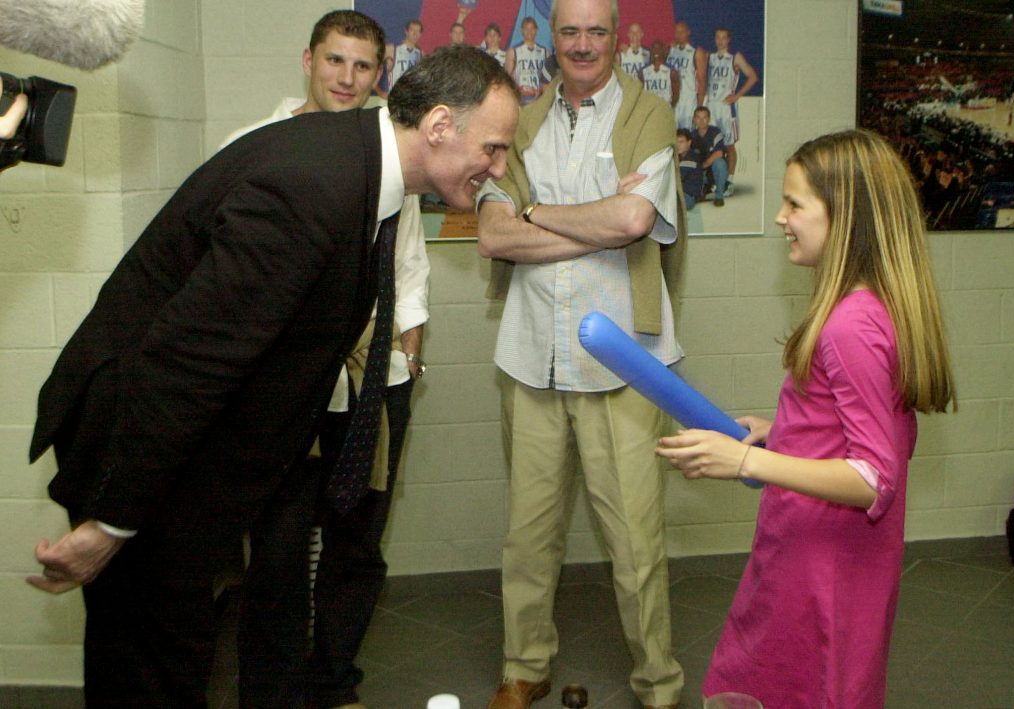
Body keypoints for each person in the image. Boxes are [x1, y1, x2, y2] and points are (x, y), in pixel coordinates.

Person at [26, 45, 519, 708]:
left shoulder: (362, 163)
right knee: (148, 664)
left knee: (179, 644)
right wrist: (111, 522)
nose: (499, 168)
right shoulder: (310, 187)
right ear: (437, 126)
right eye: (493, 148)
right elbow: (187, 363)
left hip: (190, 447)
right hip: (139, 442)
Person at [656, 129, 957, 708]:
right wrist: (786, 431)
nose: (779, 217)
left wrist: (748, 458)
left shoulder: (850, 326)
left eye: (795, 204)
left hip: (825, 564)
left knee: (801, 686)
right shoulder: (868, 307)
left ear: (844, 218)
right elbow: (861, 427)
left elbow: (874, 476)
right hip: (826, 551)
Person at [476, 0, 687, 706]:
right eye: (570, 31)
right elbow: (495, 236)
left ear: (617, 37)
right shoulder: (521, 122)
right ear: (552, 39)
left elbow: (635, 219)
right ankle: (524, 666)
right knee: (528, 534)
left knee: (635, 540)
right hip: (532, 351)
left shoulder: (647, 116)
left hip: (621, 359)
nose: (584, 44)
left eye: (597, 30)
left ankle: (658, 682)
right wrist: (594, 223)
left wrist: (535, 213)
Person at [218, 11, 430, 708]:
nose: (347, 78)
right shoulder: (254, 145)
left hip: (373, 372)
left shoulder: (391, 152)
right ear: (307, 60)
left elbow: (406, 255)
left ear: (381, 73)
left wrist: (409, 336)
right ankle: (272, 695)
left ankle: (333, 678)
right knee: (277, 554)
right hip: (284, 379)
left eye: (363, 66)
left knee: (357, 542)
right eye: (335, 61)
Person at [706, 27, 757, 197]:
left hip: (726, 108)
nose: (720, 41)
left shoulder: (735, 57)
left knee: (729, 146)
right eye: (717, 37)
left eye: (724, 38)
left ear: (729, 40)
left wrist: (737, 96)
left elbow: (752, 76)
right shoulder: (710, 57)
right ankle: (714, 181)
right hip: (711, 106)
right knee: (712, 145)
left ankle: (729, 181)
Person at [665, 21, 706, 130]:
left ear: (688, 32)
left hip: (688, 102)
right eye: (677, 32)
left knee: (688, 136)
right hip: (672, 101)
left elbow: (702, 81)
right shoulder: (670, 50)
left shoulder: (696, 52)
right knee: (671, 136)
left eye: (682, 31)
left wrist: (700, 106)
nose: (679, 34)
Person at [505, 16, 548, 105]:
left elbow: (548, 79)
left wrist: (541, 92)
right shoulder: (513, 51)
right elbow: (507, 79)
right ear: (522, 31)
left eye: (532, 28)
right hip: (521, 99)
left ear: (536, 30)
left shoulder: (545, 52)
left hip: (539, 98)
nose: (529, 32)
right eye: (526, 29)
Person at [691, 106, 727, 206]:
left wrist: (702, 166)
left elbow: (719, 153)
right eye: (698, 117)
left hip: (713, 170)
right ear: (694, 119)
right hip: (700, 171)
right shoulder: (691, 136)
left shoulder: (715, 132)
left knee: (720, 163)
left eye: (704, 117)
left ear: (709, 119)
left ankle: (719, 196)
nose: (701, 121)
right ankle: (702, 189)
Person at [641, 40, 679, 108]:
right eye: (654, 48)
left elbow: (676, 94)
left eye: (659, 48)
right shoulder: (643, 71)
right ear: (650, 51)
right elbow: (640, 93)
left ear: (663, 51)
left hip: (664, 110)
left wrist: (669, 106)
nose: (656, 51)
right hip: (649, 110)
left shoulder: (672, 71)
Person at [389, 19, 424, 88]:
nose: (415, 34)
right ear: (406, 31)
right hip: (396, 94)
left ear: (420, 34)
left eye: (418, 31)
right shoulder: (392, 49)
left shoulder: (421, 54)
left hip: (412, 95)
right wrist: (379, 90)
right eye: (412, 30)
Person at [675, 128, 702, 210]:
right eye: (676, 142)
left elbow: (676, 179)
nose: (678, 145)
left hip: (688, 198)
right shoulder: (680, 156)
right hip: (681, 195)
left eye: (681, 142)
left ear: (689, 143)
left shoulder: (691, 158)